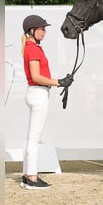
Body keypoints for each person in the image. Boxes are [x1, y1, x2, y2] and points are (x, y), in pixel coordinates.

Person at [20, 15, 73, 189]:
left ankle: (28, 175)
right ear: (31, 31)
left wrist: (59, 82)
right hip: (38, 94)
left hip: (35, 93)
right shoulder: (33, 49)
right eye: (42, 28)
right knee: (34, 139)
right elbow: (36, 76)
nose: (45, 31)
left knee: (31, 138)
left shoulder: (31, 47)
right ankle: (32, 179)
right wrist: (59, 82)